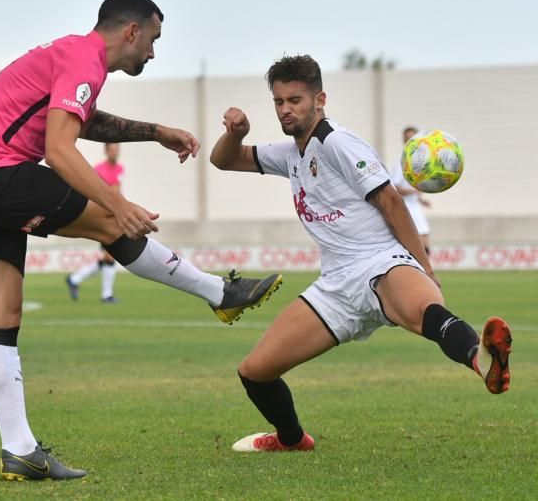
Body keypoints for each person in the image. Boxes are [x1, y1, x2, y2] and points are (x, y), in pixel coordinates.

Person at [0, 0, 283, 480]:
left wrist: (155, 130)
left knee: (1, 314)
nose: (154, 53)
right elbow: (60, 148)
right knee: (109, 222)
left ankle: (18, 450)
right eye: (154, 40)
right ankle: (217, 292)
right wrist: (117, 206)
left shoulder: (69, 56)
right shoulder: (84, 58)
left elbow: (82, 121)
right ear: (131, 31)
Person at [209, 54, 512, 453]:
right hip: (335, 286)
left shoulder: (335, 141)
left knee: (427, 313)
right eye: (279, 102)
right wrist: (236, 132)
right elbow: (223, 159)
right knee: (255, 372)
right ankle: (292, 440)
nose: (286, 109)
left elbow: (390, 201)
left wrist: (424, 266)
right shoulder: (291, 154)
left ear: (320, 99)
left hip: (382, 262)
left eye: (295, 100)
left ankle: (483, 359)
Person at [66, 143, 124, 303]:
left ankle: (75, 279)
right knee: (111, 256)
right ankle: (106, 295)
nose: (115, 152)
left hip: (115, 215)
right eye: (112, 149)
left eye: (117, 149)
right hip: (103, 215)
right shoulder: (99, 170)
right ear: (106, 151)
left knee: (108, 256)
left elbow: (118, 192)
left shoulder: (120, 169)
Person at [389, 126, 432, 253]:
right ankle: (422, 270)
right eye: (407, 139)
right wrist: (412, 192)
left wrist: (420, 199)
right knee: (420, 241)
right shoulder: (401, 164)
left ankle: (425, 270)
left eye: (413, 138)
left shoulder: (418, 163)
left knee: (424, 239)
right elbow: (394, 186)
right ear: (404, 142)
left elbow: (412, 186)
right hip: (406, 206)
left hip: (414, 205)